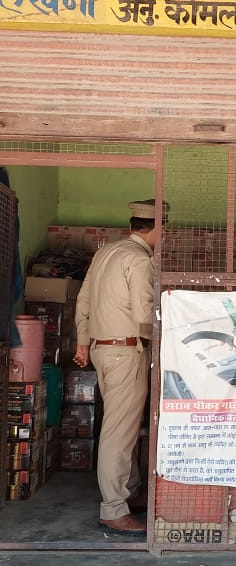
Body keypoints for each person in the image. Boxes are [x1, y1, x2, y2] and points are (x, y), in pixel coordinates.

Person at [73, 199, 169, 537]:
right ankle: (113, 509)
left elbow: (83, 301)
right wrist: (169, 337)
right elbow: (145, 314)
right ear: (158, 229)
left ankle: (129, 492)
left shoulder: (105, 253)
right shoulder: (140, 260)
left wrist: (82, 343)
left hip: (102, 349)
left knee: (121, 425)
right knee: (119, 431)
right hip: (126, 351)